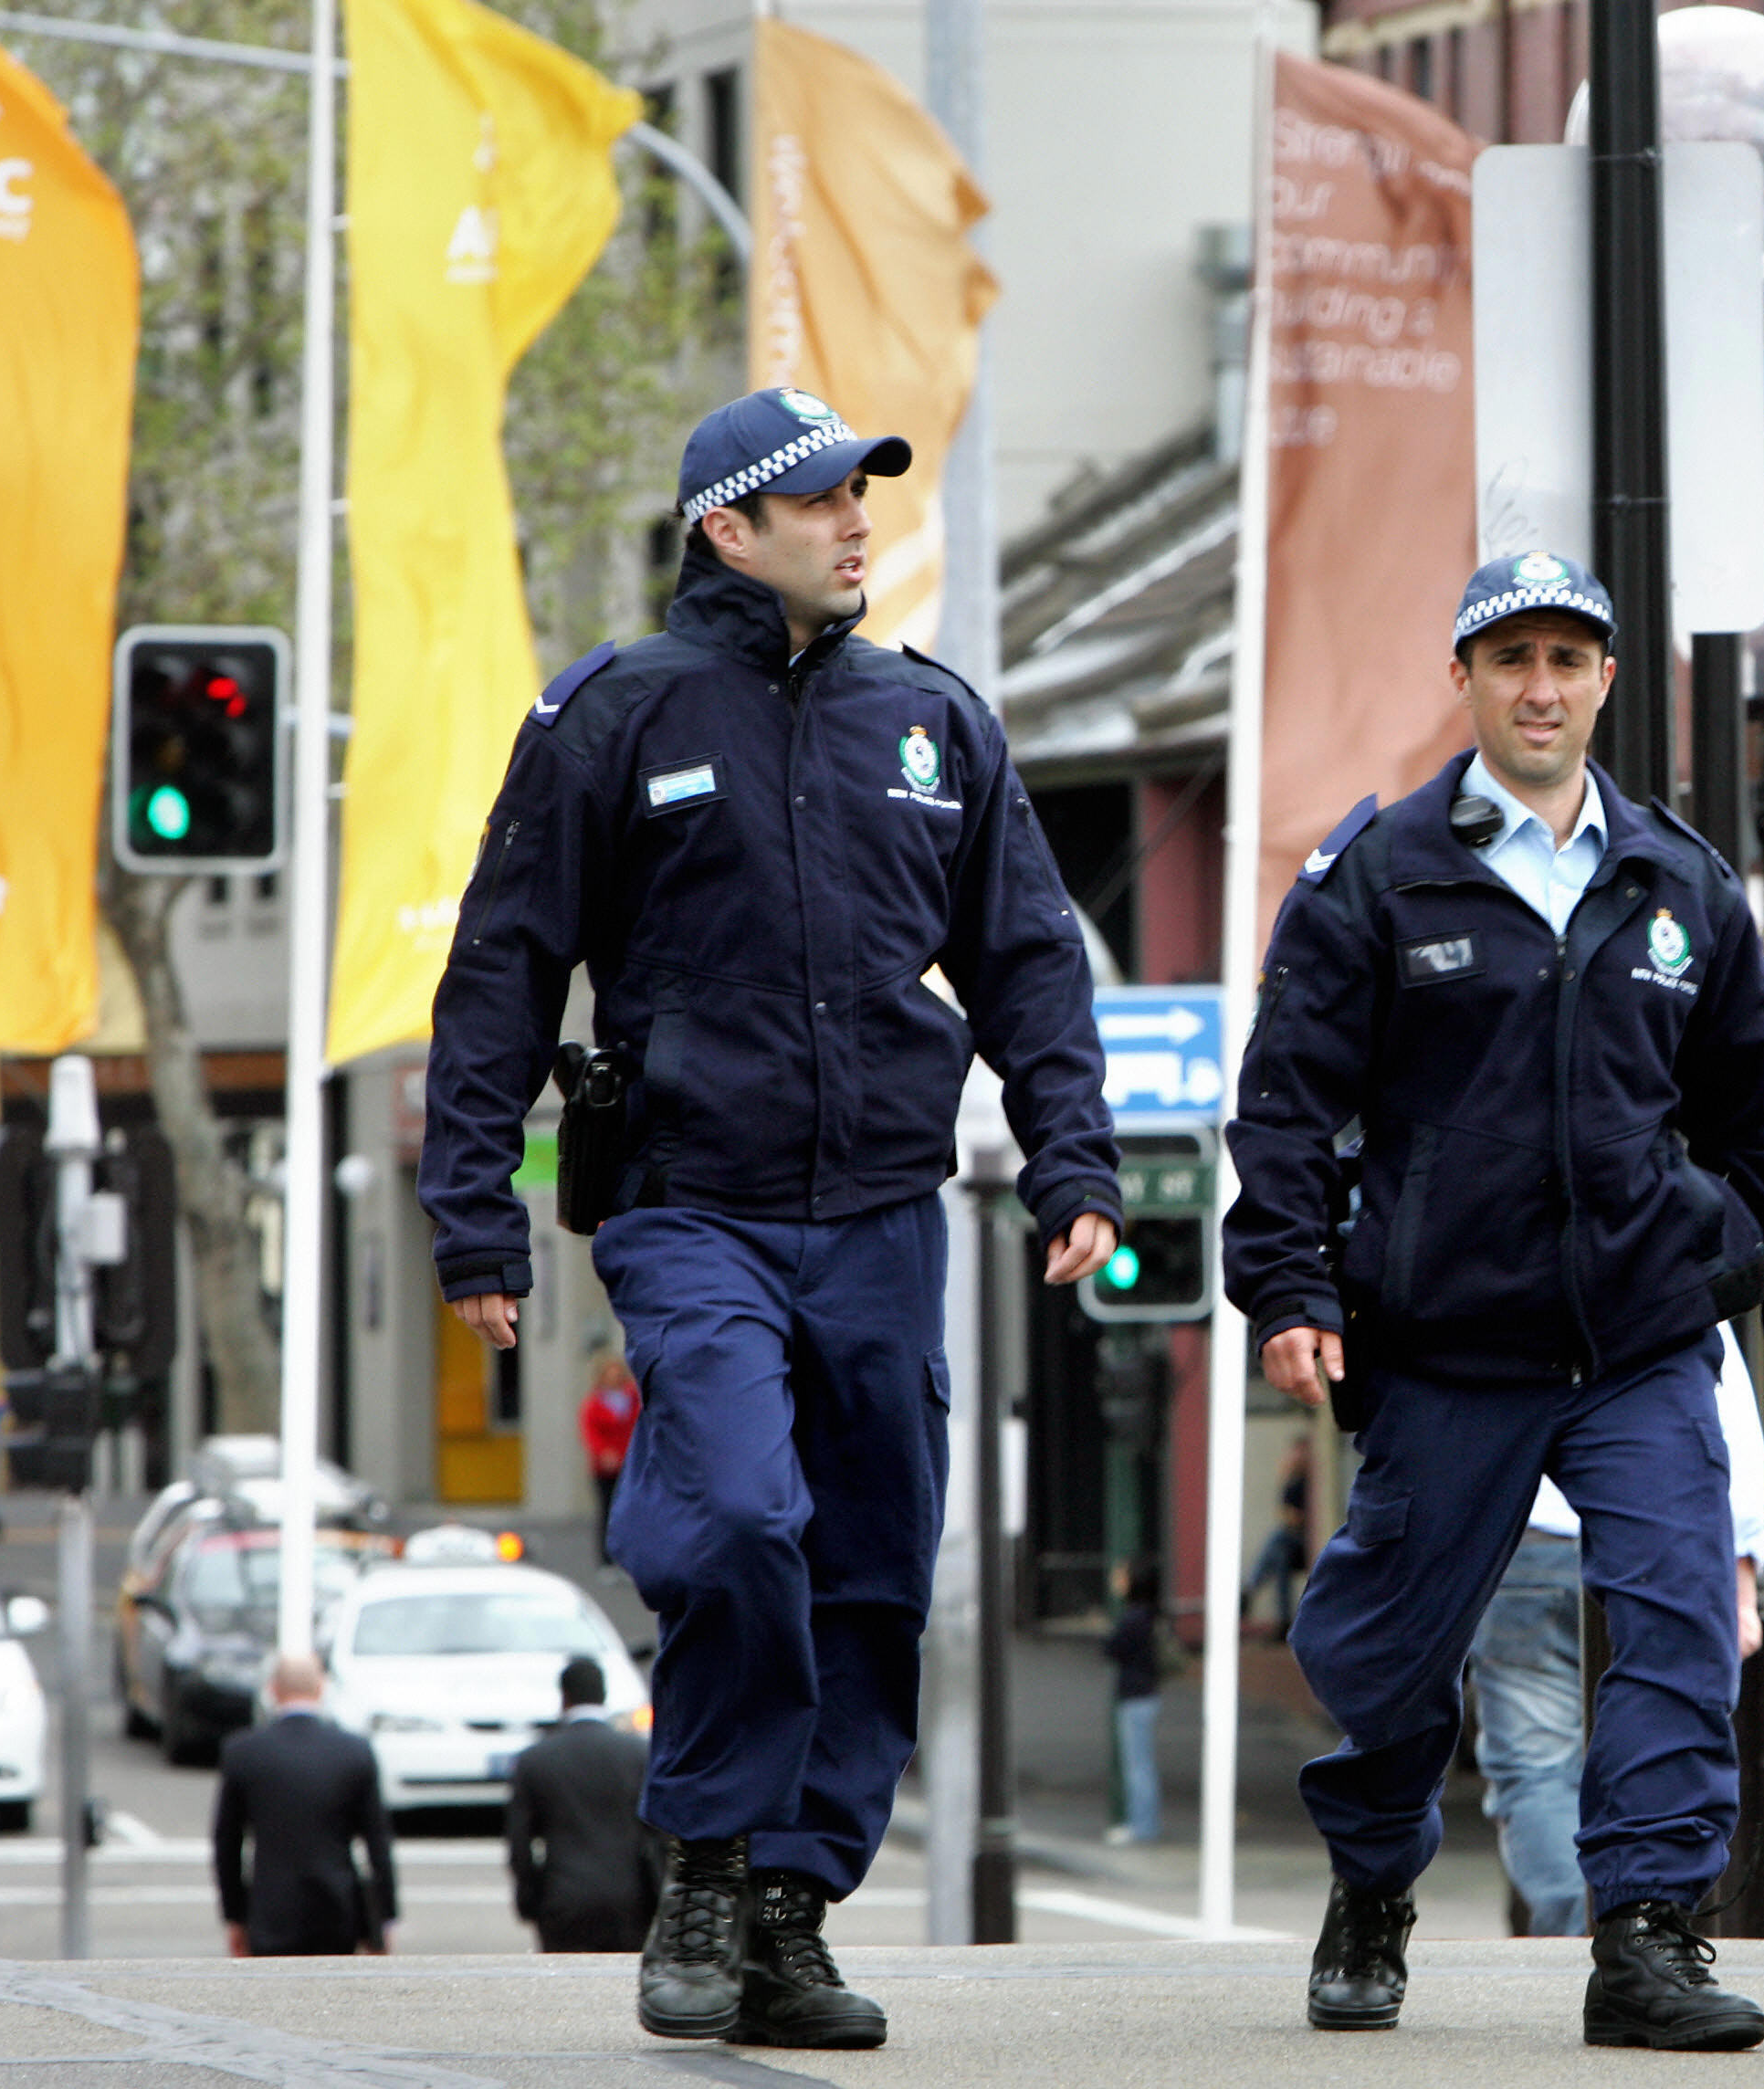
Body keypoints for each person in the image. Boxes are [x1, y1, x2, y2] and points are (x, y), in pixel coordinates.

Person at [421, 385, 1122, 2049]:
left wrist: (1075, 1157)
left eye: (865, 494)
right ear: (728, 528)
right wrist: (475, 1222)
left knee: (876, 1564)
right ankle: (711, 1864)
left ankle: (794, 1910)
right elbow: (500, 976)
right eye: (819, 501)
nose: (858, 520)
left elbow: (1030, 955)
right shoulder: (610, 717)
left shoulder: (936, 722)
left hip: (888, 1208)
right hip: (691, 1207)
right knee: (737, 1517)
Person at [1225, 551, 1764, 2053]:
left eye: (1570, 659)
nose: (1542, 687)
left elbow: (1759, 1110)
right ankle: (1374, 1887)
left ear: (1606, 680)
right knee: (1384, 1651)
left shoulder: (1683, 880)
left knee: (1682, 1615)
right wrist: (1289, 1281)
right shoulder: (1378, 874)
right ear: (1468, 678)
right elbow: (1287, 1105)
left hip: (1639, 1338)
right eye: (1513, 661)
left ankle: (1647, 1935)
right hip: (1446, 1344)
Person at [1469, 1338, 1764, 1938]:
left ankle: (1571, 1923)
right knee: (1654, 1724)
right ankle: (1635, 1923)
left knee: (1533, 1764)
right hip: (1645, 1530)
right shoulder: (1664, 1263)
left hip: (1523, 1537)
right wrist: (1739, 1571)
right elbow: (1723, 1414)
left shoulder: (1488, 1266)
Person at [211, 1653, 398, 1958]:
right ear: (322, 1688)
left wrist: (234, 1916)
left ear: (272, 1690)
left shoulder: (242, 1753)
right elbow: (378, 1844)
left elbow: (227, 1844)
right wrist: (383, 1919)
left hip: (269, 1913)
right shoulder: (354, 1752)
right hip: (337, 1911)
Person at [506, 1654, 662, 1953]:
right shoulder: (638, 1754)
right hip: (631, 1899)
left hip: (563, 1898)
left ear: (564, 1697)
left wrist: (530, 1899)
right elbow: (658, 1834)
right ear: (603, 1696)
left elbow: (519, 1844)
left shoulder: (535, 1759)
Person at [1103, 1559, 1164, 1846]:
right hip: (1146, 1692)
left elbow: (1114, 1649)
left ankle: (1143, 1826)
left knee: (1137, 1764)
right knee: (1140, 1762)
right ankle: (1144, 1823)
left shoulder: (1134, 1617)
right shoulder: (1148, 1614)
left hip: (1135, 1694)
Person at [1240, 1439, 1313, 1636]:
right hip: (1293, 1545)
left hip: (1309, 1541)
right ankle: (1284, 1621)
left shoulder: (1311, 1482)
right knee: (1280, 1557)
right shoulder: (1293, 1482)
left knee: (1278, 1538)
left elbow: (1297, 1518)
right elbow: (1285, 1514)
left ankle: (1250, 1589)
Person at [580, 1354, 640, 1566]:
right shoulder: (595, 1404)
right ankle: (607, 1560)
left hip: (630, 1464)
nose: (614, 1377)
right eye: (609, 1373)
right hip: (605, 1469)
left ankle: (630, 1557)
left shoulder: (633, 1399)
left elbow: (638, 1428)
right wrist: (603, 1453)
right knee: (607, 1512)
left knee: (632, 1512)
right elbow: (591, 1433)